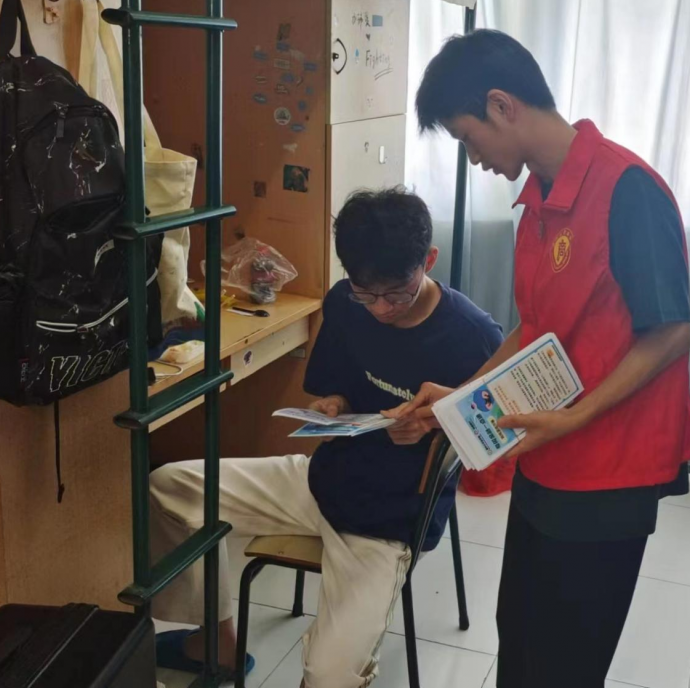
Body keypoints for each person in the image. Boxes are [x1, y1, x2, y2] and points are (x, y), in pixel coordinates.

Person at [388, 30, 690, 688]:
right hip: (547, 456)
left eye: (468, 139)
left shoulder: (627, 190)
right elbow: (536, 328)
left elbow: (672, 334)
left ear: (502, 105)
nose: (474, 159)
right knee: (521, 636)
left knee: (566, 661)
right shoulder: (538, 205)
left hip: (609, 470)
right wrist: (460, 397)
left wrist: (575, 417)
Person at [150, 187, 502, 688]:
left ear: (429, 260)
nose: (380, 308)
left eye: (396, 294)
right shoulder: (345, 302)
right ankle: (216, 643)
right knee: (166, 488)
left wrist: (436, 430)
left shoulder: (475, 336)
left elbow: (494, 441)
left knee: (329, 675)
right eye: (366, 292)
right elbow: (334, 387)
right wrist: (333, 405)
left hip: (388, 521)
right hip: (321, 481)